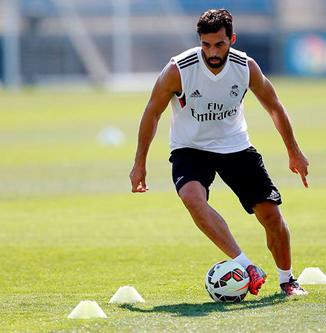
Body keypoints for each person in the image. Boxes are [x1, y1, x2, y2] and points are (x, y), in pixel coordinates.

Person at [130, 9, 309, 296]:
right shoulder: (178, 70)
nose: (212, 52)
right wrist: (139, 163)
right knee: (191, 197)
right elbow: (152, 113)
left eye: (220, 44)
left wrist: (294, 151)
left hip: (235, 145)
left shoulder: (246, 67)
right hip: (191, 147)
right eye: (206, 45)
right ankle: (246, 265)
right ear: (199, 41)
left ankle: (287, 279)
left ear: (232, 39)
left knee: (271, 215)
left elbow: (274, 105)